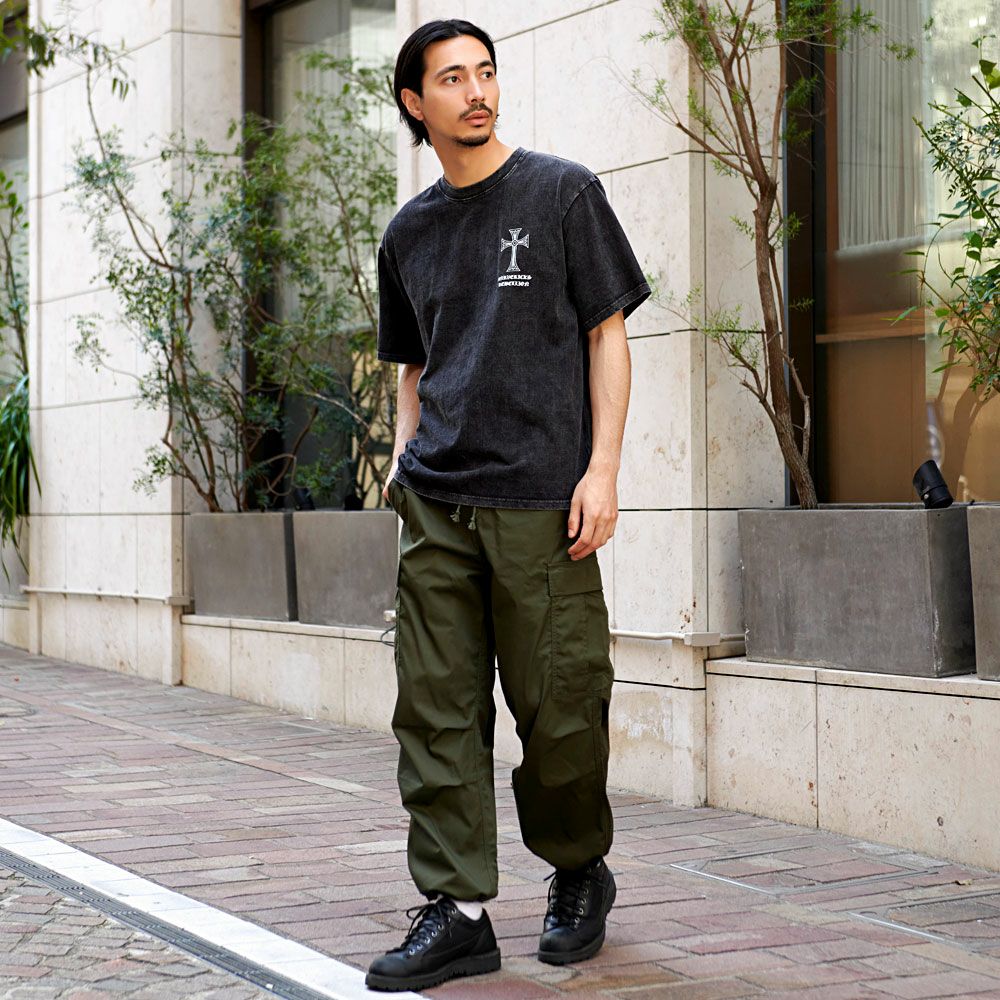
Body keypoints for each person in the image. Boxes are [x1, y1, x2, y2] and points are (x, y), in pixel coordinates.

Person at [365, 17, 650, 994]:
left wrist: (602, 469)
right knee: (435, 711)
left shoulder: (561, 193)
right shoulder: (407, 233)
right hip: (437, 505)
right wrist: (403, 453)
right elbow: (412, 362)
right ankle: (457, 912)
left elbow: (607, 334)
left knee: (562, 708)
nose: (476, 91)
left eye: (484, 72)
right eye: (452, 78)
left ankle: (578, 867)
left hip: (541, 500)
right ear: (416, 102)